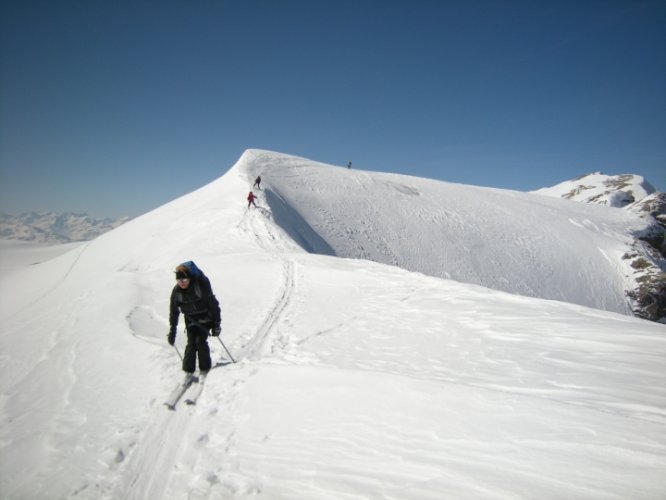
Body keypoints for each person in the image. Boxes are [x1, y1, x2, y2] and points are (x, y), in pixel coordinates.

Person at [168, 264, 221, 375]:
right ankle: (188, 372)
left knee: (200, 342)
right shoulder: (177, 292)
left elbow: (213, 305)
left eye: (184, 279)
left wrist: (216, 324)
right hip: (190, 319)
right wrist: (172, 331)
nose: (181, 282)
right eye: (179, 280)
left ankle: (205, 369)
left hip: (205, 318)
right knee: (191, 343)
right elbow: (174, 312)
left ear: (189, 278)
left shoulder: (199, 287)